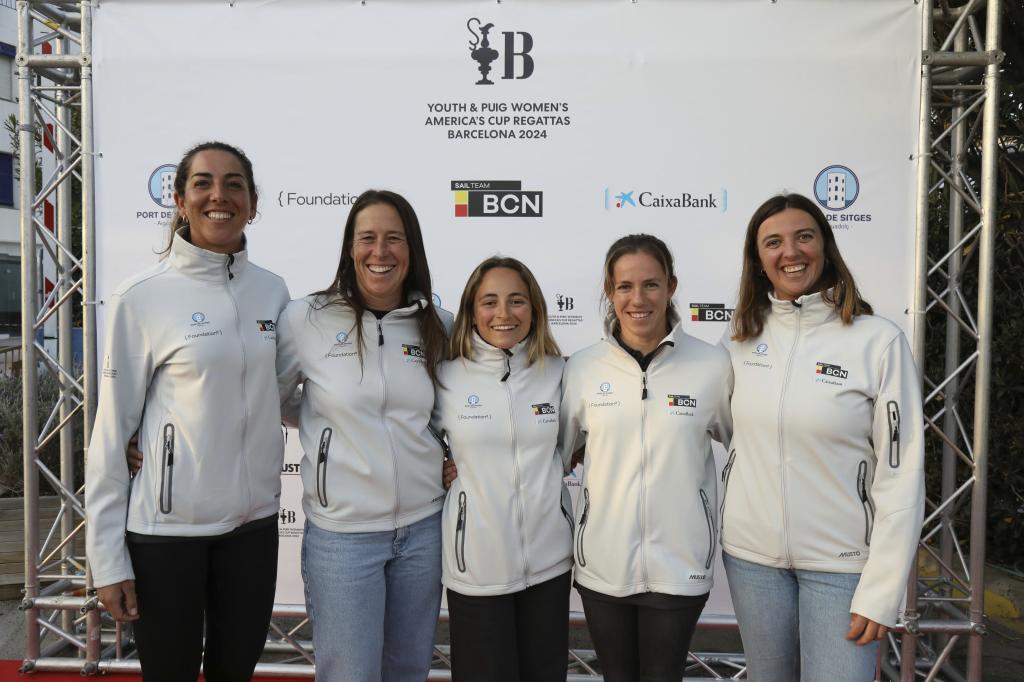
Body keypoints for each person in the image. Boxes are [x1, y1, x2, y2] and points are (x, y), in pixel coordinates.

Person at [85, 141, 290, 681]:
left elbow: (289, 395)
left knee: (235, 673)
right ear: (179, 199)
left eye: (233, 184)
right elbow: (111, 435)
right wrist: (107, 559)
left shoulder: (272, 291)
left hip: (253, 529)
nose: (217, 195)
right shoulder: (141, 297)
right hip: (166, 536)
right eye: (202, 183)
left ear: (252, 202)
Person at [720, 193, 925, 681]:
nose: (790, 252)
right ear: (758, 261)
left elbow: (902, 472)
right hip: (752, 563)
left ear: (826, 247)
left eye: (804, 236)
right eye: (774, 242)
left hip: (843, 567)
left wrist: (883, 591)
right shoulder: (738, 340)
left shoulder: (877, 340)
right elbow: (707, 426)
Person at [275, 189, 452, 682]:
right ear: (350, 248)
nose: (380, 251)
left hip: (423, 531)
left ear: (410, 249)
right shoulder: (305, 318)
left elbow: (448, 416)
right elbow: (275, 397)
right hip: (343, 539)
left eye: (393, 238)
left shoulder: (437, 325)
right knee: (349, 675)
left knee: (408, 671)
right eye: (367, 238)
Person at [558, 234, 732, 682]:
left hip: (679, 569)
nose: (638, 299)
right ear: (609, 291)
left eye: (651, 285)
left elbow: (747, 453)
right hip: (602, 569)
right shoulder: (581, 368)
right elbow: (551, 456)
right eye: (625, 287)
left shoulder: (712, 366)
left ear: (671, 287)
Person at [432, 256, 573, 682]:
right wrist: (435, 467)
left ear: (534, 309)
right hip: (476, 568)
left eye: (517, 301)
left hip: (549, 564)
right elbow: (408, 441)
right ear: (472, 311)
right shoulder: (444, 376)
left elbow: (574, 445)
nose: (504, 314)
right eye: (489, 301)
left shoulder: (561, 372)